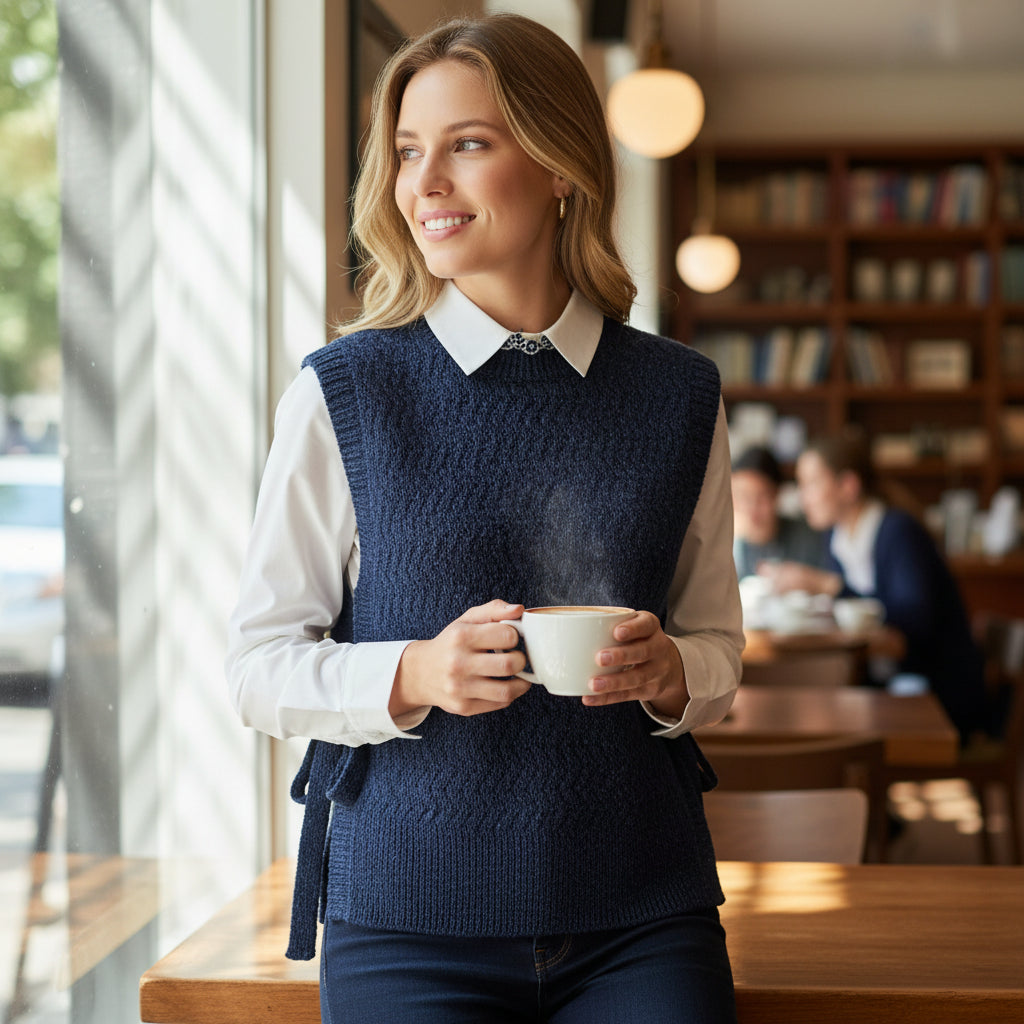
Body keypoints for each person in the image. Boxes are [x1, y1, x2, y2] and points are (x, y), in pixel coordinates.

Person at [226, 14, 742, 1023]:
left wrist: (676, 673)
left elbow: (718, 641)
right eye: (409, 153)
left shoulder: (680, 395)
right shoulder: (346, 391)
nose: (422, 185)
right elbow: (255, 666)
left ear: (558, 167)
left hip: (640, 911)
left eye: (466, 145)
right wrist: (413, 672)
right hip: (406, 919)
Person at [764, 430, 986, 745]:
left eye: (811, 484)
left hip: (936, 693)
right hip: (888, 685)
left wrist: (826, 585)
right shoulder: (837, 539)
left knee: (832, 731)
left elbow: (914, 620)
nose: (802, 497)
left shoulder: (897, 532)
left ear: (848, 486)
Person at [730, 444, 829, 580]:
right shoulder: (730, 546)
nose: (751, 508)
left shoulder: (810, 538)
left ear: (777, 494)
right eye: (742, 496)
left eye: (760, 497)